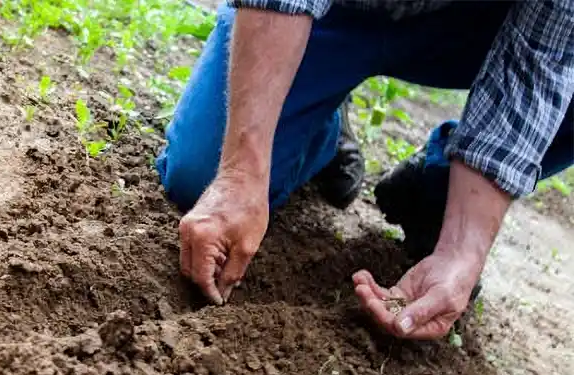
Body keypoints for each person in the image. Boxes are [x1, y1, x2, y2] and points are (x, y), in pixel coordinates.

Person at [155, 0, 574, 340]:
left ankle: (440, 192)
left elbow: (544, 58)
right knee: (202, 175)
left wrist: (462, 251)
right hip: (334, 13)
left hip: (473, 23)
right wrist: (240, 174)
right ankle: (320, 124)